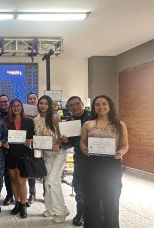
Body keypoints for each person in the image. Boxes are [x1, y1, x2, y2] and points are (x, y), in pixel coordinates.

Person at [80, 95, 128, 228]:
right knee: (91, 198)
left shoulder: (119, 124)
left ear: (109, 106)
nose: (101, 107)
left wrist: (121, 152)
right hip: (92, 164)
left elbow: (125, 145)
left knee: (111, 199)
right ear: (94, 108)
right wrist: (84, 148)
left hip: (112, 164)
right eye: (97, 105)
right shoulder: (88, 124)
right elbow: (82, 142)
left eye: (104, 104)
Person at [34, 95, 69, 223]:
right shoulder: (35, 120)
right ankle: (50, 209)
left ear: (49, 106)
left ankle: (62, 211)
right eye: (41, 103)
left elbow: (62, 135)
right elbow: (38, 139)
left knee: (52, 181)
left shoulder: (54, 118)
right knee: (46, 182)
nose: (43, 106)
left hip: (58, 153)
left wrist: (57, 145)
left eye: (45, 103)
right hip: (46, 154)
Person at [60, 96, 90, 226]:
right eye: (71, 105)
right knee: (78, 187)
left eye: (77, 104)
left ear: (82, 104)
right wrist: (65, 141)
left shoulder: (93, 118)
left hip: (96, 160)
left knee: (95, 187)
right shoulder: (69, 121)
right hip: (80, 159)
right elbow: (69, 145)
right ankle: (80, 213)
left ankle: (94, 213)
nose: (74, 107)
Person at [3, 99, 34, 218]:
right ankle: (17, 203)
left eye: (18, 106)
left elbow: (32, 137)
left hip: (23, 155)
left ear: (22, 107)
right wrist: (5, 143)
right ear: (10, 108)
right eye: (13, 106)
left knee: (22, 182)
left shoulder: (28, 121)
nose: (16, 108)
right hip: (10, 154)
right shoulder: (6, 121)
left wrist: (30, 141)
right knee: (13, 180)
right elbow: (4, 136)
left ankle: (23, 205)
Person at [0, 94, 14, 206]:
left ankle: (10, 195)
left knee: (10, 175)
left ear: (8, 102)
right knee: (0, 174)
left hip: (13, 148)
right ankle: (0, 196)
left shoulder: (15, 113)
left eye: (5, 101)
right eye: (0, 102)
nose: (3, 103)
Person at [26, 92, 39, 205]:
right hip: (29, 145)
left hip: (43, 145)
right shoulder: (24, 114)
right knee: (31, 171)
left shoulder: (43, 114)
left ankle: (46, 193)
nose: (32, 100)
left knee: (45, 170)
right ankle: (32, 193)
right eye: (30, 99)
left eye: (34, 98)